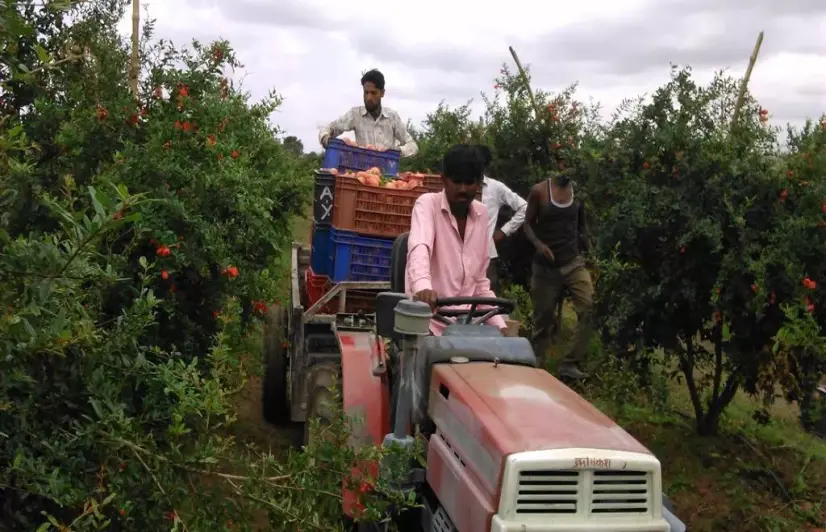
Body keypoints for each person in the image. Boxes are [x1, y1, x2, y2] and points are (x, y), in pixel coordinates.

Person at [406, 144, 507, 335]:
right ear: (444, 180)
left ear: (479, 184)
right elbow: (420, 247)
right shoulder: (427, 204)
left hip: (468, 325)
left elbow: (479, 283)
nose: (463, 189)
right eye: (457, 182)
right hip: (427, 320)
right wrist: (423, 287)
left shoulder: (482, 213)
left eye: (469, 183)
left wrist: (501, 327)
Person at [523, 171, 593, 380]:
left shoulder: (578, 192)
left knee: (589, 307)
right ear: (557, 164)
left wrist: (591, 254)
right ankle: (535, 368)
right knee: (543, 321)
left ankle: (569, 365)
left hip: (573, 262)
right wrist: (539, 245)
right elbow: (527, 224)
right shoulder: (539, 192)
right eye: (563, 162)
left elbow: (583, 227)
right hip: (545, 268)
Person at [318, 69, 418, 157]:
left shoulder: (392, 117)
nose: (369, 98)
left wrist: (396, 152)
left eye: (373, 93)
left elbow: (412, 146)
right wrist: (326, 138)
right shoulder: (355, 114)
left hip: (386, 173)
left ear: (382, 93)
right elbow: (330, 127)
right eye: (366, 92)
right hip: (362, 173)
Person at [473, 145, 527, 292]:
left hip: (486, 254)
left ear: (485, 165)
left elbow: (524, 207)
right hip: (458, 253)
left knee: (487, 297)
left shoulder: (496, 188)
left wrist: (504, 232)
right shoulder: (459, 187)